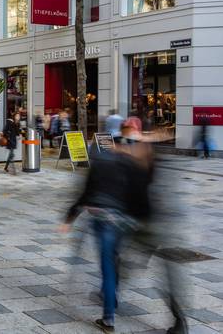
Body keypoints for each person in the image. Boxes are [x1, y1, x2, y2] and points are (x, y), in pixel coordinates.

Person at [60, 134, 153, 333]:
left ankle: (109, 316)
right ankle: (111, 295)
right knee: (114, 258)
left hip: (103, 219)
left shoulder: (101, 163)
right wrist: (143, 221)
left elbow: (86, 192)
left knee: (108, 264)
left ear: (112, 145)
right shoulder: (133, 165)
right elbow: (141, 194)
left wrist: (70, 217)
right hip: (124, 221)